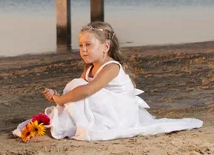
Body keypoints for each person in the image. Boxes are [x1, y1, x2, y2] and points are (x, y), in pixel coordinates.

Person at [41, 21, 203, 141]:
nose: (83, 50)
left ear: (105, 47)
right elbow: (81, 96)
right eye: (81, 45)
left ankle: (70, 125)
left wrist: (60, 99)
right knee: (76, 85)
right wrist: (58, 95)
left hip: (120, 114)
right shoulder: (90, 67)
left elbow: (88, 91)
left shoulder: (111, 67)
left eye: (88, 45)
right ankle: (65, 124)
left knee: (78, 86)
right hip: (106, 109)